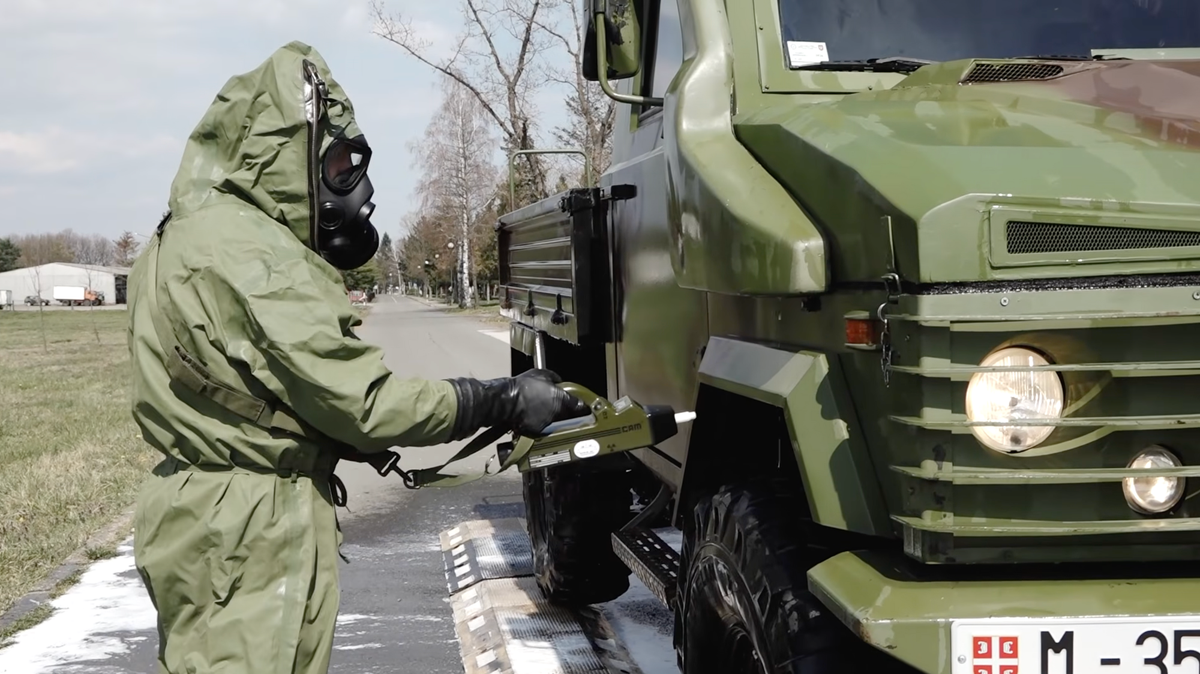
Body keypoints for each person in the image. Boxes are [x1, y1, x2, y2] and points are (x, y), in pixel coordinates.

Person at [126, 41, 588, 674]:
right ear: (282, 157)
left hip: (199, 512)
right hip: (250, 529)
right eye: (337, 166)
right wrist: (501, 400)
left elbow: (257, 388)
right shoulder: (253, 256)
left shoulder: (183, 234)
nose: (352, 188)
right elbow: (366, 404)